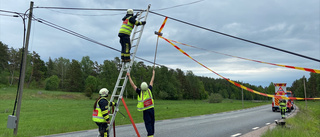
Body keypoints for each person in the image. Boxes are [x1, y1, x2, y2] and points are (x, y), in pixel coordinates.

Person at [127, 70, 155, 137]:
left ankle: (150, 135)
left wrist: (129, 77)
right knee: (152, 123)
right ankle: (151, 134)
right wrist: (153, 74)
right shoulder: (149, 90)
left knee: (148, 123)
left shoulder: (140, 92)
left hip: (146, 111)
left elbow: (133, 85)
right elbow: (152, 81)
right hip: (151, 109)